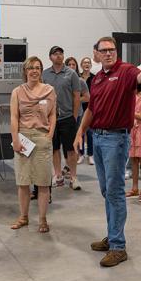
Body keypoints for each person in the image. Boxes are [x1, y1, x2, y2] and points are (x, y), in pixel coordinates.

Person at [73, 36, 141, 268]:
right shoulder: (97, 79)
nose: (108, 53)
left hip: (116, 139)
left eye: (112, 50)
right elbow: (92, 109)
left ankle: (118, 246)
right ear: (96, 53)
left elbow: (140, 77)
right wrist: (80, 133)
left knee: (114, 192)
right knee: (107, 190)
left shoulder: (125, 70)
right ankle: (112, 234)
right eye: (103, 50)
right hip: (98, 136)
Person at [10, 56, 57, 233]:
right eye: (31, 68)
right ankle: (23, 216)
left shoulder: (49, 90)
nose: (34, 71)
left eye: (37, 68)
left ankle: (43, 219)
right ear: (25, 71)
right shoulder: (17, 92)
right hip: (23, 139)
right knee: (23, 181)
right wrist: (15, 139)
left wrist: (50, 135)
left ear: (41, 70)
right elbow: (14, 117)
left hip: (42, 138)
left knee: (43, 182)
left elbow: (53, 114)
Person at [42, 46, 82, 190]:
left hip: (67, 118)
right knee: (54, 149)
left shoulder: (71, 74)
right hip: (50, 119)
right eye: (55, 54)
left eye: (60, 54)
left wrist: (74, 116)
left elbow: (76, 96)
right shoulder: (45, 74)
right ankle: (58, 175)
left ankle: (73, 177)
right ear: (50, 57)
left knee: (71, 149)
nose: (58, 56)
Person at [65, 57, 90, 164]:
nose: (71, 67)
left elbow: (87, 97)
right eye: (69, 65)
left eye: (73, 65)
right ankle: (68, 161)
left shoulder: (80, 81)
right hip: (64, 114)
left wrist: (75, 100)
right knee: (67, 140)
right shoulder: (62, 80)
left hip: (77, 113)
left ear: (76, 67)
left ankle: (78, 157)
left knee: (76, 137)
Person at [79, 57, 95, 165]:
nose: (86, 64)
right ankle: (80, 154)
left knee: (90, 132)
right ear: (81, 65)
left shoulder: (95, 77)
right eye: (84, 62)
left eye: (88, 62)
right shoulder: (77, 77)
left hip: (91, 107)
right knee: (80, 132)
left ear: (91, 65)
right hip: (80, 107)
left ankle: (90, 155)